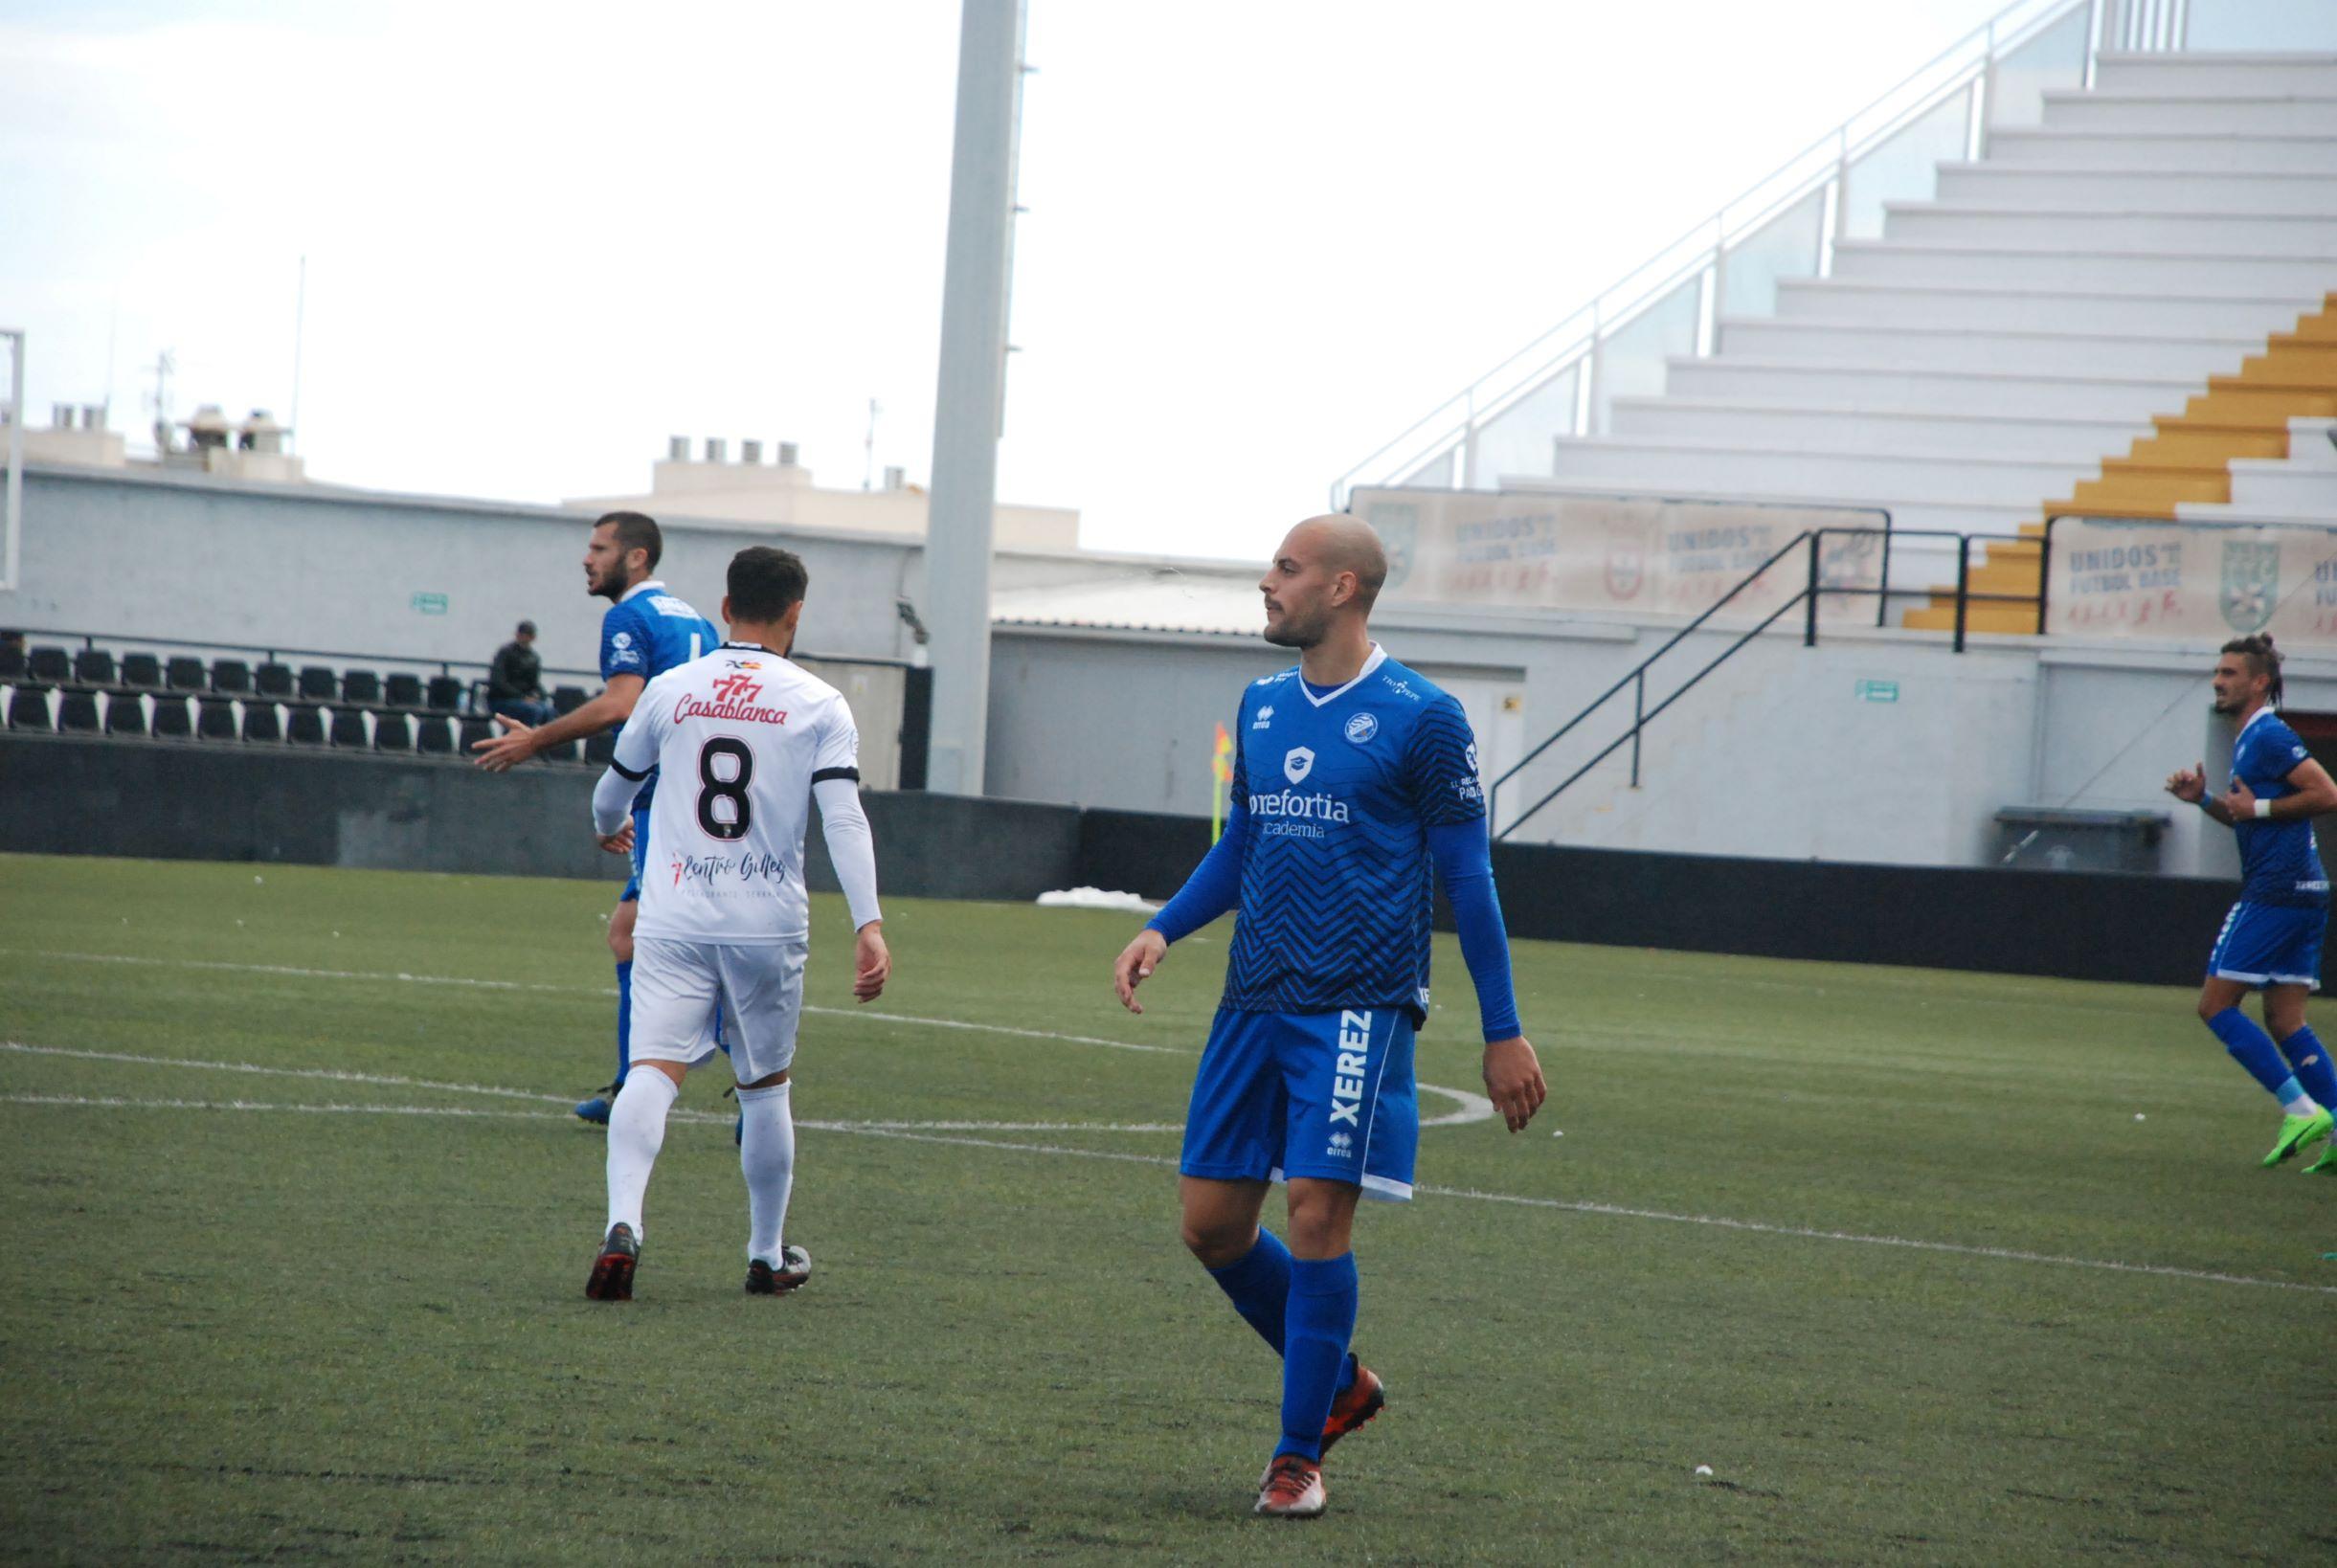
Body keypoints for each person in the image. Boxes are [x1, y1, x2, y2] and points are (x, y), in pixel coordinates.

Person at [1111, 514, 1546, 1519]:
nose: (1267, 583)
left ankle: (1296, 1455)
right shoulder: (1262, 705)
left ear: (1342, 588)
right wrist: (1163, 929)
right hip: (1252, 994)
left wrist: (1501, 1027)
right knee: (1210, 1227)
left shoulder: (1422, 717)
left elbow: (1467, 876)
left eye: (1285, 567)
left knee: (1313, 1213)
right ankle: (1343, 1383)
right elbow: (1241, 847)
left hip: (1358, 1002)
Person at [581, 545, 889, 1301]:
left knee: (651, 1070)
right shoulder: (819, 702)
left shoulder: (671, 689)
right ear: (795, 612)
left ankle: (625, 1223)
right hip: (765, 923)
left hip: (674, 913)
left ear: (724, 608)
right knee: (764, 1087)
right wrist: (868, 922)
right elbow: (843, 817)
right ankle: (764, 1253)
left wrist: (608, 826)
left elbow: (612, 790)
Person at [473, 511, 722, 1123]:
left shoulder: (629, 616)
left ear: (636, 558)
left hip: (666, 800)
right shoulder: (698, 621)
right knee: (671, 934)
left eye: (600, 548)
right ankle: (724, 1082)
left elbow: (621, 703)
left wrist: (536, 741)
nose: (587, 559)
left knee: (634, 935)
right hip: (707, 798)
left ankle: (639, 1086)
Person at [2164, 633, 2337, 1173]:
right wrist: (2206, 801)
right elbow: (2248, 811)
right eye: (2217, 673)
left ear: (2259, 682)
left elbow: (2327, 794)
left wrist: (2258, 808)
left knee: (2215, 1006)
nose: (2218, 681)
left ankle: (2300, 1109)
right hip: (2306, 890)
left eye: (2229, 674)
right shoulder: (2249, 738)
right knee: (2287, 1020)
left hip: (2277, 891)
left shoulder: (2267, 735)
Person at [485, 619, 552, 727]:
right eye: (522, 634)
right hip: (501, 699)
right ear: (517, 635)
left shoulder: (534, 658)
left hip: (522, 700)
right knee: (532, 710)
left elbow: (534, 684)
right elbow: (498, 681)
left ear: (533, 638)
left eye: (528, 635)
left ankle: (543, 740)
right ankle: (522, 737)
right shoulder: (505, 653)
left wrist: (541, 696)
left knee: (548, 711)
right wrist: (521, 697)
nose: (524, 638)